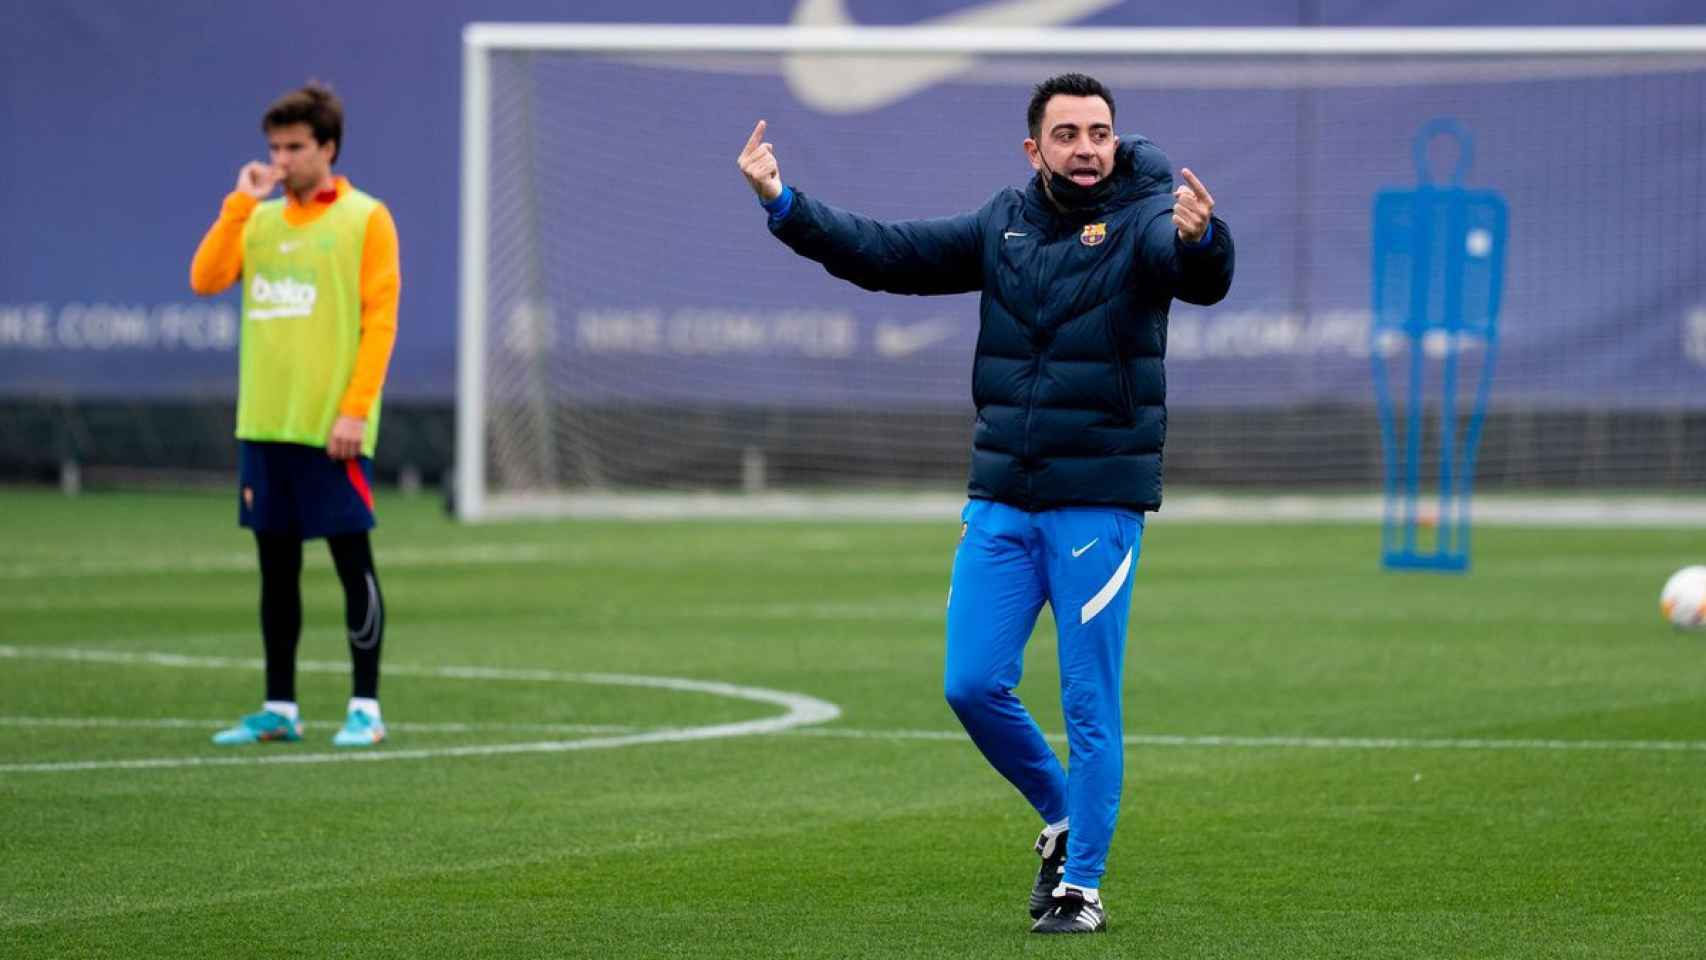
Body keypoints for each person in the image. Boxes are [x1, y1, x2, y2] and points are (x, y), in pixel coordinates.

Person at [738, 73, 1233, 934]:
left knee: (1088, 703)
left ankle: (1082, 887)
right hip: (1002, 495)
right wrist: (784, 203)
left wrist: (1202, 239)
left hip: (1097, 503)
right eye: (1069, 134)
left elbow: (1191, 270)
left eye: (1100, 133)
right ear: (1033, 147)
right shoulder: (1001, 223)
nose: (1087, 148)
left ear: (1117, 142)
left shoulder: (1149, 214)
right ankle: (1064, 815)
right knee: (970, 683)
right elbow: (887, 254)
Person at [190, 82, 401, 749]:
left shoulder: (367, 217)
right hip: (265, 425)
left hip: (331, 429)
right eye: (274, 147)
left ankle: (365, 708)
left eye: (295, 147)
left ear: (327, 148)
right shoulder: (255, 217)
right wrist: (239, 203)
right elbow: (205, 277)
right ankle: (279, 706)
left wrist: (354, 412)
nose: (281, 159)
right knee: (275, 571)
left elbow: (380, 322)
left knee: (351, 563)